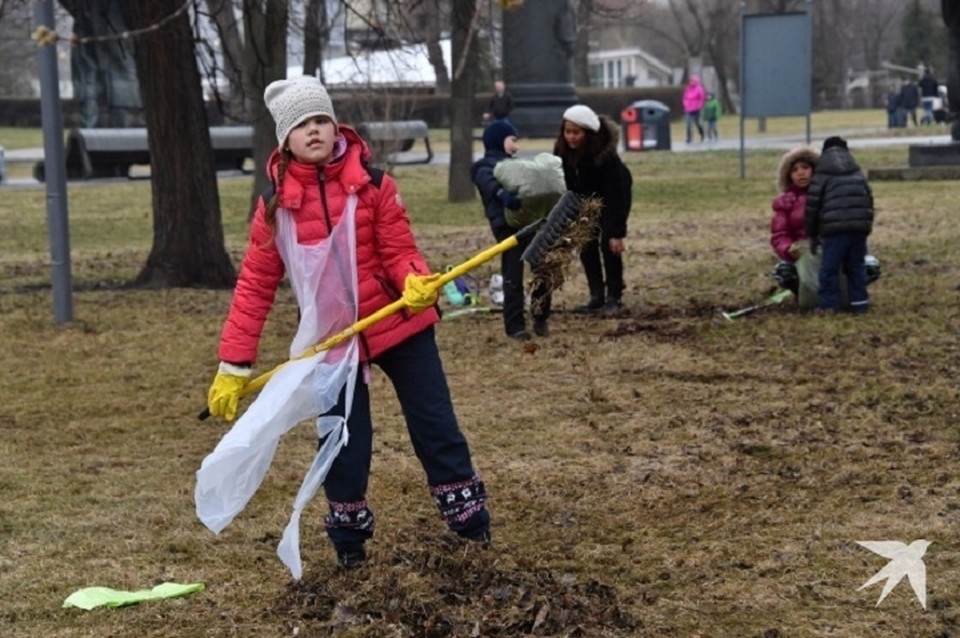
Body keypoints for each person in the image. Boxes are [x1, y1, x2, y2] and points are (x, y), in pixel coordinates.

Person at [204, 76, 490, 570]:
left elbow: (400, 252)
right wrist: (233, 363)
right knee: (342, 439)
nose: (313, 130)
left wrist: (415, 283)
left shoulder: (374, 184)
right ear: (284, 140)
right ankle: (350, 542)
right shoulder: (274, 209)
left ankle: (470, 525)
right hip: (333, 339)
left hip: (398, 322)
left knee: (435, 424)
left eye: (320, 119)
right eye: (301, 124)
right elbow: (254, 286)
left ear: (336, 126)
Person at [470, 119, 551, 340]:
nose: (516, 147)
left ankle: (540, 314)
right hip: (507, 228)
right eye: (512, 141)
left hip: (529, 224)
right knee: (512, 276)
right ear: (499, 140)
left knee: (544, 268)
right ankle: (515, 326)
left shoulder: (514, 165)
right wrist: (503, 196)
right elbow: (487, 182)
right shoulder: (484, 166)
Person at [553, 104, 632, 313]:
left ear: (588, 134)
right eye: (567, 132)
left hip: (613, 198)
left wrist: (616, 233)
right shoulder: (561, 153)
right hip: (585, 201)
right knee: (586, 244)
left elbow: (617, 195)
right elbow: (565, 187)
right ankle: (596, 296)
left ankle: (614, 296)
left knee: (609, 245)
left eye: (576, 132)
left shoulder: (606, 158)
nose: (571, 137)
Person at [805, 136, 874, 314]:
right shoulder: (857, 172)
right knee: (856, 267)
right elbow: (869, 200)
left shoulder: (822, 173)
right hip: (859, 229)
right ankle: (860, 304)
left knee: (829, 268)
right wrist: (866, 227)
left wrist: (812, 234)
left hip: (834, 230)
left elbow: (812, 206)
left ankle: (829, 305)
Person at [770, 146, 821, 311]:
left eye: (805, 168)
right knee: (784, 271)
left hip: (830, 250)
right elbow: (780, 234)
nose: (800, 173)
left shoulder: (829, 194)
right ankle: (803, 294)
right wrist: (787, 248)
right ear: (788, 176)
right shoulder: (785, 202)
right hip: (802, 254)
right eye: (794, 170)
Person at [682, 75, 706, 144]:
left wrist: (700, 105)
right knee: (688, 124)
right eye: (690, 81)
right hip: (688, 109)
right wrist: (685, 104)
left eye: (692, 81)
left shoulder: (699, 89)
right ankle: (689, 138)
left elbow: (702, 98)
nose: (691, 82)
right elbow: (685, 98)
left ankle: (701, 133)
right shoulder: (688, 89)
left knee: (697, 123)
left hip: (696, 109)